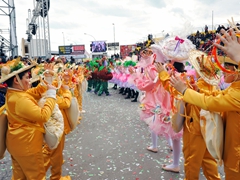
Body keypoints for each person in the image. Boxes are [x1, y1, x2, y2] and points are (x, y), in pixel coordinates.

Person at [168, 32, 240, 178]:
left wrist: (183, 89)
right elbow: (214, 97)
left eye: (227, 66)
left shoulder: (236, 93)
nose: (223, 70)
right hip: (214, 137)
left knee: (192, 165)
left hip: (200, 132)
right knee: (208, 165)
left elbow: (209, 102)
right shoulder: (232, 88)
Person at [1, 57, 57, 179]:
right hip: (28, 146)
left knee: (19, 177)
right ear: (16, 80)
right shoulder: (20, 99)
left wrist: (47, 79)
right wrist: (52, 96)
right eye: (27, 77)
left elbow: (35, 92)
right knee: (37, 176)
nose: (30, 80)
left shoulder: (13, 93)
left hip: (17, 144)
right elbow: (43, 115)